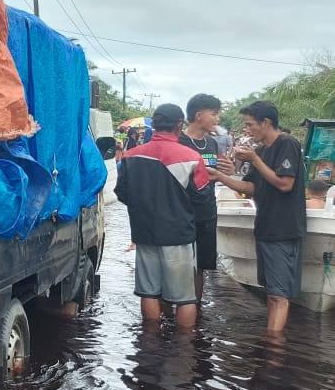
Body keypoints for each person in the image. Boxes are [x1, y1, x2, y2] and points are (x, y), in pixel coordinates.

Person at [209, 101, 306, 332]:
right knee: (271, 292)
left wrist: (254, 160)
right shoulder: (261, 151)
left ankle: (273, 348)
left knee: (278, 295)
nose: (247, 130)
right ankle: (272, 342)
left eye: (250, 124)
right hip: (265, 227)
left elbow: (285, 184)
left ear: (266, 122)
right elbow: (251, 188)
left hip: (283, 229)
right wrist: (221, 177)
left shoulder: (287, 143)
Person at [115, 104, 210, 327]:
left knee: (148, 292)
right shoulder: (192, 158)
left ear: (155, 125)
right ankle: (184, 344)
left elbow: (122, 193)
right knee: (185, 298)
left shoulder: (130, 156)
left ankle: (150, 340)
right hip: (179, 235)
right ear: (179, 125)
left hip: (144, 233)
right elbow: (202, 198)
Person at [177, 93, 235, 304]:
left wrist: (229, 169)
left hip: (207, 212)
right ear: (198, 115)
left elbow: (220, 170)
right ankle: (171, 311)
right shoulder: (179, 141)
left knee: (200, 266)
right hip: (181, 213)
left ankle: (195, 310)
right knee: (177, 265)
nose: (218, 119)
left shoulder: (211, 143)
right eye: (214, 114)